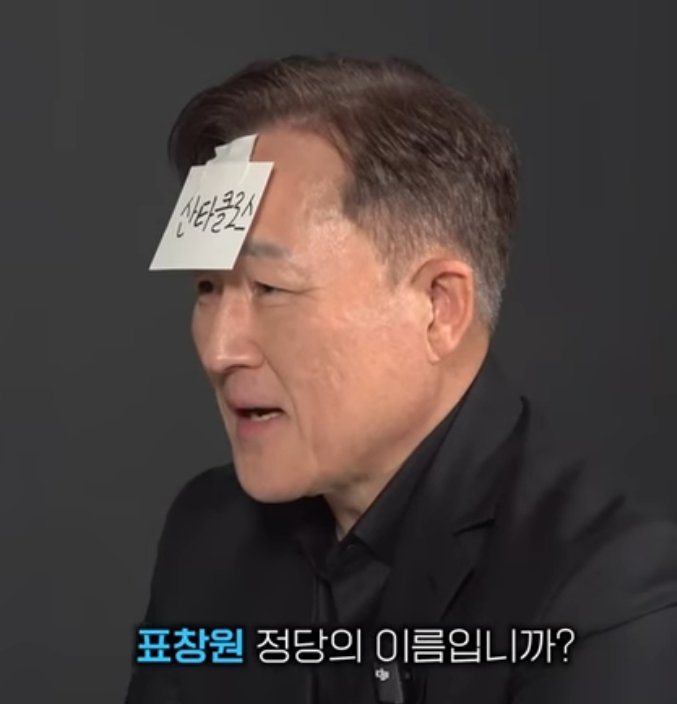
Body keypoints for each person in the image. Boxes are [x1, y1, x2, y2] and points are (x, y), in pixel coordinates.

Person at [125, 56, 677, 704]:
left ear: (439, 307)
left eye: (269, 288)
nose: (219, 350)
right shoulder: (209, 533)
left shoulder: (606, 596)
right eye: (206, 288)